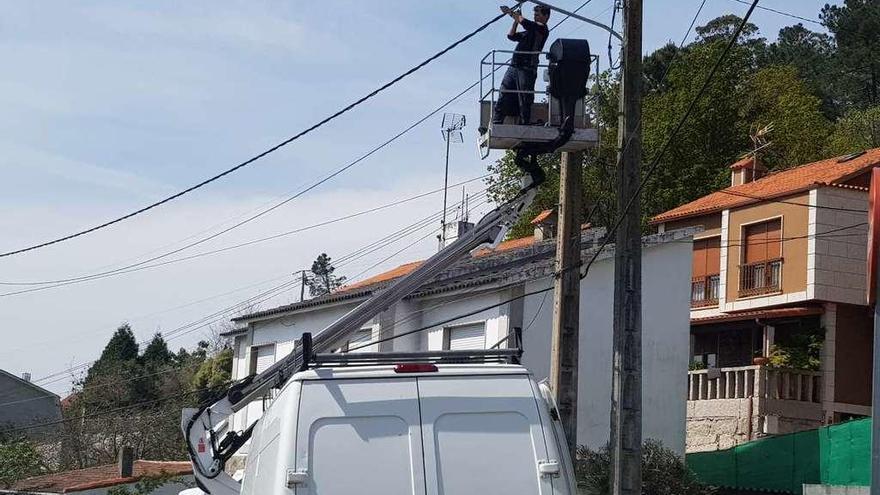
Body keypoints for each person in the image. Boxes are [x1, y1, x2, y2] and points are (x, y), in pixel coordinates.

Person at [492, 4, 550, 126]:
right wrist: (515, 21)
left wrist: (511, 13)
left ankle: (524, 123)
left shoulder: (542, 30)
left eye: (538, 15)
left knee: (524, 98)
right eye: (534, 15)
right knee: (504, 92)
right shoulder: (529, 31)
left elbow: (526, 23)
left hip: (526, 68)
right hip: (514, 67)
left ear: (546, 16)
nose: (535, 17)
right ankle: (497, 121)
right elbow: (511, 36)